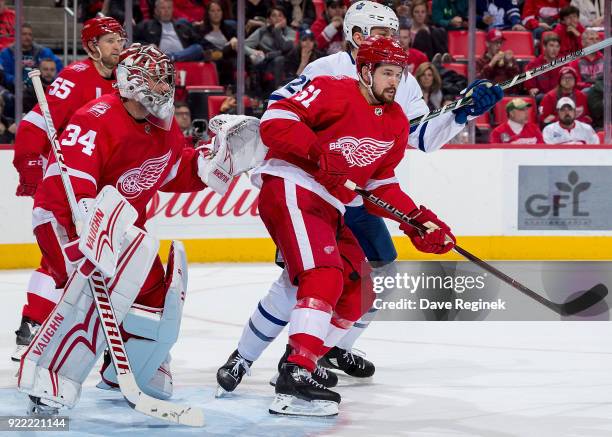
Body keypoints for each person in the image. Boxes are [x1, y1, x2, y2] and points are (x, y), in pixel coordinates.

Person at [217, 0, 502, 396]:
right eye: (378, 34)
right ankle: (253, 360)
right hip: (301, 186)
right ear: (355, 37)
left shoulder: (397, 82)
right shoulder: (327, 74)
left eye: (391, 35)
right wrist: (320, 160)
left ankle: (322, 352)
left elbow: (410, 142)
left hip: (347, 199)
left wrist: (462, 114)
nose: (389, 42)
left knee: (369, 279)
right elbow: (279, 118)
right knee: (305, 280)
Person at [16, 43, 235, 415]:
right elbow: (69, 176)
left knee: (154, 288)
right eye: (155, 77)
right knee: (86, 293)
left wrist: (211, 163)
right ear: (132, 81)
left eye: (166, 78)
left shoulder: (161, 128)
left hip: (119, 230)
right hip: (63, 219)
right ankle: (50, 379)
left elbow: (172, 170)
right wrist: (85, 210)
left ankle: (128, 367)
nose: (165, 86)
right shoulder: (96, 117)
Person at [255, 35, 456, 417]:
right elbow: (276, 121)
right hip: (293, 184)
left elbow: (381, 183)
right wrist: (318, 156)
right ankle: (294, 373)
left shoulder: (395, 120)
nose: (394, 82)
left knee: (357, 291)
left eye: (398, 73)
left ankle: (302, 364)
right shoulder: (331, 89)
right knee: (323, 274)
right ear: (365, 71)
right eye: (386, 73)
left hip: (330, 204)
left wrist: (418, 220)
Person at [10, 16, 126, 362]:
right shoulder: (76, 76)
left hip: (100, 190)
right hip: (67, 180)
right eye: (109, 41)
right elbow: (35, 122)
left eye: (120, 39)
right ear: (92, 47)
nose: (118, 46)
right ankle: (32, 325)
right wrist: (29, 162)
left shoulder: (124, 81)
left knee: (98, 261)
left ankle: (51, 326)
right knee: (62, 259)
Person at [244, 6, 297, 94]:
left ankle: (279, 92)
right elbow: (243, 45)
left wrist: (277, 30)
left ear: (284, 19)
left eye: (280, 15)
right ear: (269, 19)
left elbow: (284, 47)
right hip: (266, 64)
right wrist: (254, 52)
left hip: (287, 65)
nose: (277, 18)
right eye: (274, 16)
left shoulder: (291, 33)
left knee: (280, 59)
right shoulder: (262, 31)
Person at [134, 0, 206, 62]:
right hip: (158, 58)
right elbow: (132, 40)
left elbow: (199, 42)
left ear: (172, 10)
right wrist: (148, 46)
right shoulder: (147, 25)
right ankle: (169, 58)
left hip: (181, 57)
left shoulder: (181, 25)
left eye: (169, 8)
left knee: (198, 48)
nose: (166, 11)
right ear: (156, 11)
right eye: (163, 8)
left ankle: (170, 57)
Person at [0, 23, 63, 90]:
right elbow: (4, 74)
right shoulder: (7, 53)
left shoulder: (43, 52)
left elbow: (59, 68)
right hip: (13, 89)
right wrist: (16, 81)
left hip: (41, 88)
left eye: (30, 34)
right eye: (24, 34)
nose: (27, 37)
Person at [524, 33, 561, 102]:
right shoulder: (533, 65)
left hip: (559, 98)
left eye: (557, 46)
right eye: (551, 46)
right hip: (542, 98)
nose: (554, 49)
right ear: (544, 47)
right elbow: (530, 87)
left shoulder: (563, 65)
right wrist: (532, 89)